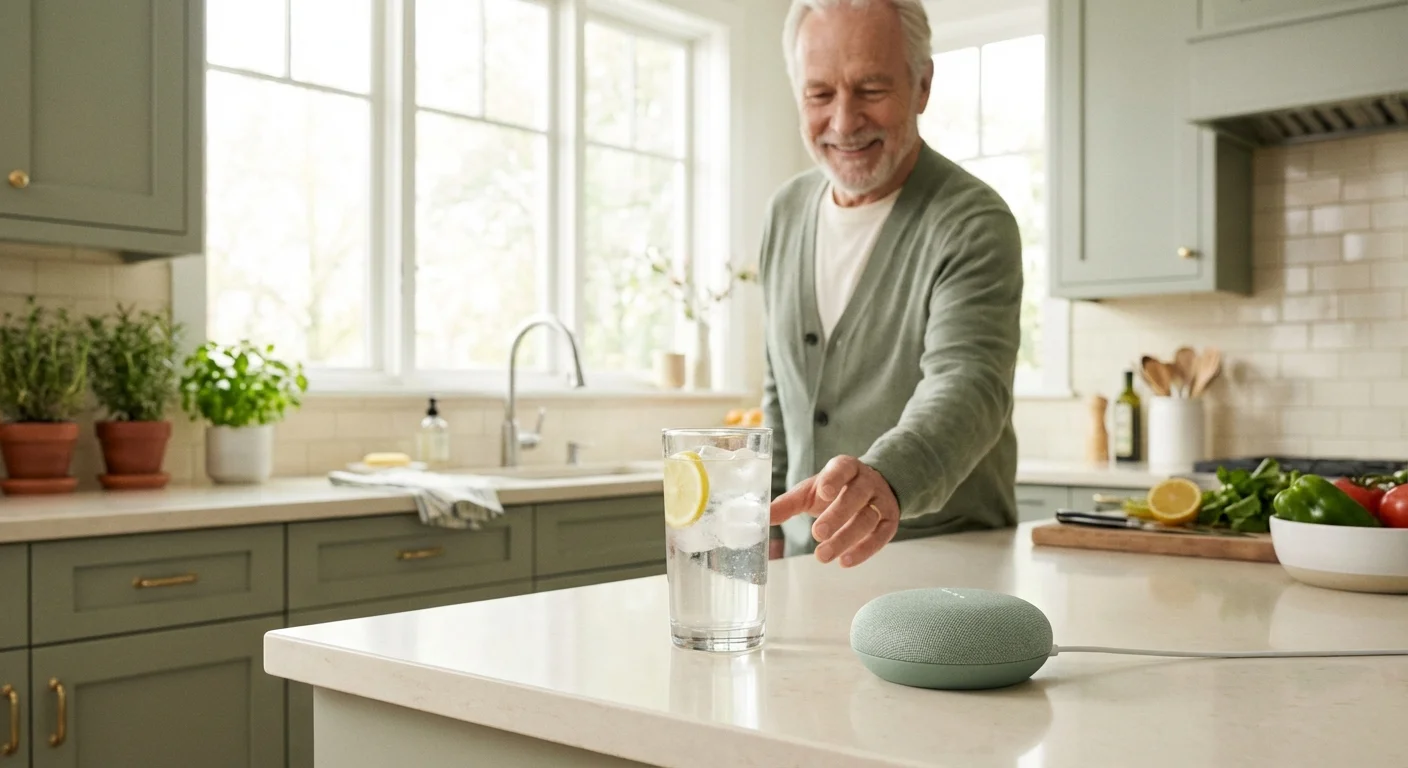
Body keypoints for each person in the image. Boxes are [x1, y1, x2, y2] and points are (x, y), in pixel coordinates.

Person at [761, 0, 1023, 566]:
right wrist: (772, 527)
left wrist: (888, 477)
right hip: (811, 563)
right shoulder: (785, 212)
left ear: (922, 85)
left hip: (944, 561)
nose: (844, 121)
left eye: (871, 89)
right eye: (820, 94)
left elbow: (969, 383)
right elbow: (780, 387)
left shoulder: (972, 221)